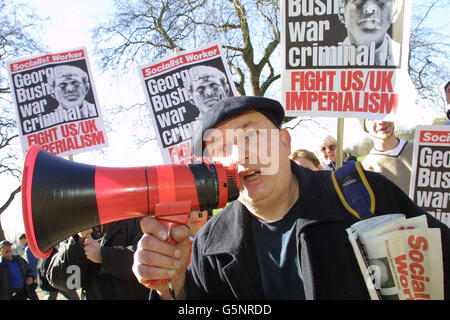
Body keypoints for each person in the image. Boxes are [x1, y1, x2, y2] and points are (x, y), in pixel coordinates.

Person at [132, 96, 450, 300]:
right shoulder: (208, 246)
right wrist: (171, 289)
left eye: (252, 135)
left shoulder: (363, 194)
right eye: (222, 148)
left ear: (285, 142)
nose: (241, 155)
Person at [46, 219, 149, 300]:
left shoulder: (136, 219)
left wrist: (103, 255)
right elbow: (68, 283)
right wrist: (78, 243)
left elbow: (148, 263)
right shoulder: (76, 228)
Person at [338, 0, 403, 66]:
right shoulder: (331, 58)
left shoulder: (403, 58)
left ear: (395, 12)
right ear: (342, 13)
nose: (369, 7)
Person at [360, 119, 413, 195]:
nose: (381, 122)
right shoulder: (365, 168)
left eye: (384, 115)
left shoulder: (421, 150)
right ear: (365, 128)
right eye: (372, 118)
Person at [23, 235, 39, 300]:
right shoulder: (33, 247)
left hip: (33, 276)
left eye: (20, 240)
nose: (19, 242)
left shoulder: (28, 249)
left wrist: (35, 276)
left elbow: (32, 264)